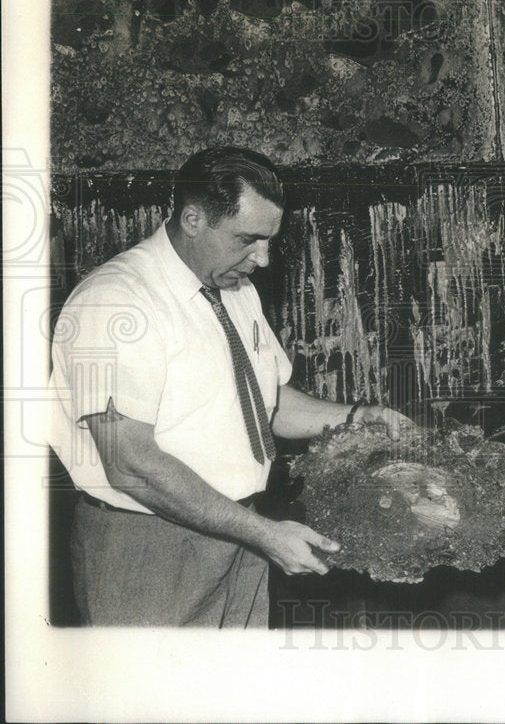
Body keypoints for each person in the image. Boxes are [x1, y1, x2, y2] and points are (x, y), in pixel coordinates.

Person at [48, 146, 410, 627]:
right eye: (249, 239)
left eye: (269, 241)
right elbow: (130, 464)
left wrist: (354, 417)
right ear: (194, 219)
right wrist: (262, 533)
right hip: (150, 545)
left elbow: (265, 401)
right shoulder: (113, 304)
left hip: (239, 535)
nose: (262, 258)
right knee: (153, 701)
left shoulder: (235, 290)